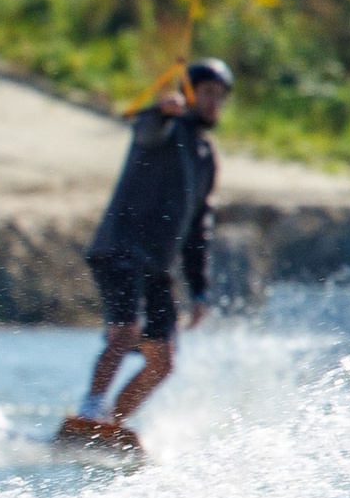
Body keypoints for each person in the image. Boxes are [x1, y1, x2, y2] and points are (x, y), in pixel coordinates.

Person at [61, 57, 233, 450]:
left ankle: (107, 426)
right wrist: (161, 110)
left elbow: (198, 231)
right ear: (190, 94)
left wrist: (200, 289)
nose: (213, 104)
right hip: (119, 248)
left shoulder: (206, 158)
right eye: (207, 94)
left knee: (163, 361)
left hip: (157, 265)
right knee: (126, 332)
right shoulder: (164, 127)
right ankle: (90, 409)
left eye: (220, 97)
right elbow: (145, 131)